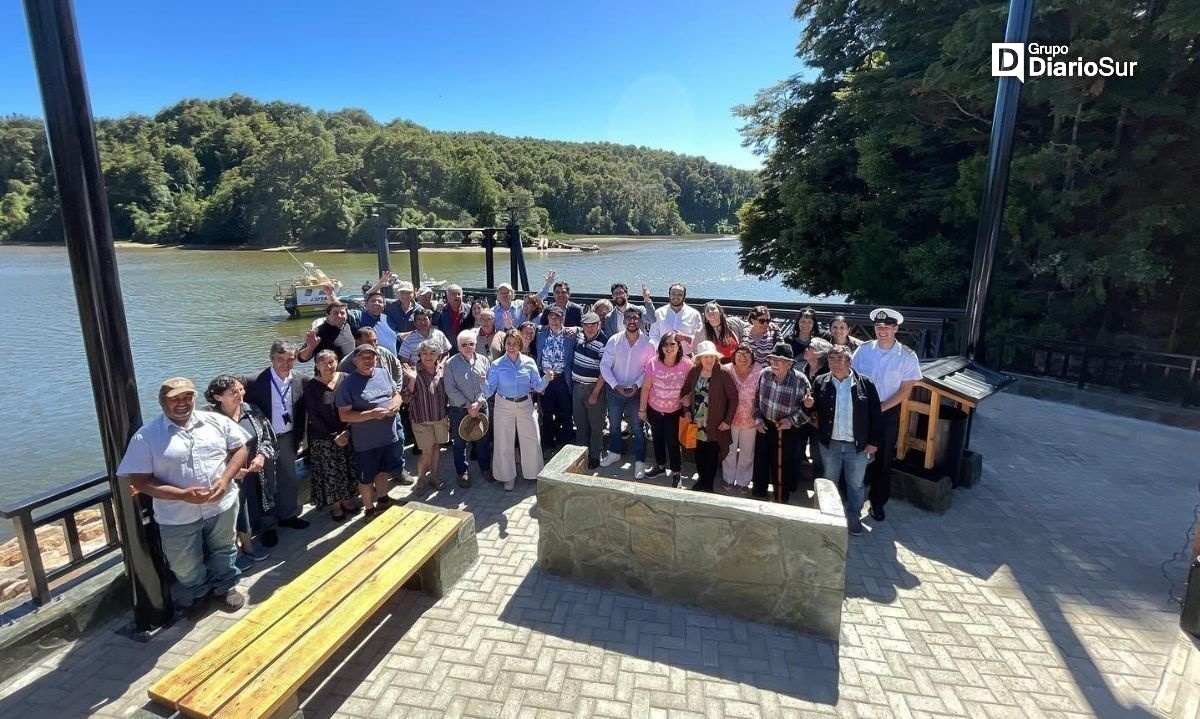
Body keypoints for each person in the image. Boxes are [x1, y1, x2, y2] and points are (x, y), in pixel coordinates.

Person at [116, 377, 248, 617]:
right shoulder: (146, 437)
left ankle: (224, 587)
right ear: (162, 402)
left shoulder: (215, 421)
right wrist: (182, 495)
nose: (182, 403)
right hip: (176, 514)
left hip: (222, 504)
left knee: (225, 547)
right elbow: (139, 480)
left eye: (187, 397)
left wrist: (226, 479)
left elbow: (240, 447)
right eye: (175, 398)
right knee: (181, 562)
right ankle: (200, 591)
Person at [852, 308, 922, 522]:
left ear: (896, 329)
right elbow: (852, 375)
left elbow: (905, 390)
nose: (882, 331)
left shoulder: (907, 356)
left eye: (887, 327)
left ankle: (877, 502)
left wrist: (881, 408)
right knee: (855, 453)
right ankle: (851, 498)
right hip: (862, 411)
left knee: (883, 460)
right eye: (878, 327)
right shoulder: (863, 350)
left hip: (887, 412)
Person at [805, 344, 883, 536]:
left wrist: (874, 442)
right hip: (830, 443)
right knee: (829, 481)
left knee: (855, 484)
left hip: (857, 446)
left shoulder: (866, 384)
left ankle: (853, 517)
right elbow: (811, 409)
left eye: (840, 359)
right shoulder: (821, 381)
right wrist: (807, 405)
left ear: (849, 361)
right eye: (831, 359)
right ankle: (830, 515)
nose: (836, 363)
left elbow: (876, 416)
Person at [203, 375, 275, 570]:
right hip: (225, 478)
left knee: (250, 508)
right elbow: (205, 451)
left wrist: (261, 456)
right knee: (231, 514)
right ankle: (234, 554)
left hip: (255, 473)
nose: (239, 394)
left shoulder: (252, 410)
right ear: (218, 397)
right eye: (233, 392)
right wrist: (231, 470)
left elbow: (268, 435)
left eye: (240, 390)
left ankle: (249, 547)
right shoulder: (208, 419)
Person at [242, 340, 308, 540]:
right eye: (280, 359)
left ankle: (288, 514)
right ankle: (267, 524)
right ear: (271, 358)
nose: (286, 364)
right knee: (265, 482)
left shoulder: (301, 380)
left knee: (289, 478)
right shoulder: (252, 381)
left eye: (290, 360)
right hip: (264, 441)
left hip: (289, 436)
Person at [475, 329, 552, 491]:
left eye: (515, 344)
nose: (511, 347)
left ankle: (534, 473)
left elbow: (537, 387)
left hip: (525, 404)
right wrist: (482, 382)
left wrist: (546, 378)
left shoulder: (529, 362)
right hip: (504, 405)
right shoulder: (497, 364)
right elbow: (489, 391)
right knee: (504, 441)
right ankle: (507, 477)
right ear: (504, 345)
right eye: (508, 343)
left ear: (520, 345)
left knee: (531, 438)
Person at [337, 344, 405, 519]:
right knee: (366, 478)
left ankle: (383, 499)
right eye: (363, 357)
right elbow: (344, 415)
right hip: (366, 442)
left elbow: (396, 394)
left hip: (388, 436)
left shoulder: (383, 373)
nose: (368, 361)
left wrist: (395, 405)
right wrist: (371, 414)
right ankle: (369, 510)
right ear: (355, 361)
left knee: (383, 471)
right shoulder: (348, 384)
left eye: (372, 357)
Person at [751, 343, 812, 503]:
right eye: (773, 359)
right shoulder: (764, 374)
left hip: (787, 428)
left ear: (790, 363)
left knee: (784, 465)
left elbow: (807, 412)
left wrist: (790, 421)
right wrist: (757, 419)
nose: (775, 363)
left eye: (781, 360)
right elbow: (756, 399)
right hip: (765, 423)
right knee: (760, 461)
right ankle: (759, 493)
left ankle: (781, 498)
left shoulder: (800, 380)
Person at [304, 350, 361, 522]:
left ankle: (347, 498)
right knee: (331, 473)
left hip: (347, 434)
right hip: (324, 438)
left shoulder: (346, 378)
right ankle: (335, 505)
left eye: (332, 362)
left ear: (337, 361)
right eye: (323, 363)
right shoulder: (310, 386)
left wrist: (347, 432)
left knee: (348, 468)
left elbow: (356, 404)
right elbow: (313, 416)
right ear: (316, 366)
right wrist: (333, 436)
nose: (328, 366)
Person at [600, 307, 655, 477]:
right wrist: (616, 385)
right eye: (629, 318)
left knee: (638, 428)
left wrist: (636, 386)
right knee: (614, 425)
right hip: (615, 392)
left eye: (636, 318)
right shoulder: (614, 340)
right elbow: (604, 366)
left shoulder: (649, 343)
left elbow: (649, 369)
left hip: (636, 393)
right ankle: (615, 453)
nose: (632, 321)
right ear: (623, 321)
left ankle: (640, 462)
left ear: (640, 321)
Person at [681, 341, 737, 492]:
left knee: (712, 455)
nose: (709, 360)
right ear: (699, 359)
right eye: (705, 357)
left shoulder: (723, 372)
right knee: (699, 454)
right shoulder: (694, 371)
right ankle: (701, 481)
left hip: (715, 423)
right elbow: (684, 392)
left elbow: (733, 398)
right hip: (696, 422)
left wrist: (727, 421)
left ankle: (708, 485)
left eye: (712, 356)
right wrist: (686, 410)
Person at [638, 331, 691, 486]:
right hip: (655, 409)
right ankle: (660, 466)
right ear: (661, 347)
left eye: (672, 344)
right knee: (657, 439)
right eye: (665, 344)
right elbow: (646, 388)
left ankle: (676, 472)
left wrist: (688, 406)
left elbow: (691, 387)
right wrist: (642, 410)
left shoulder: (687, 363)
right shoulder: (653, 363)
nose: (669, 347)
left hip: (675, 411)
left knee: (673, 442)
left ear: (678, 346)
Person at [445, 330, 493, 486]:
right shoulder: (450, 364)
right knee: (459, 444)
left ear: (475, 344)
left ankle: (485, 468)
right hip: (459, 410)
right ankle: (462, 472)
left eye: (471, 344)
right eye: (463, 344)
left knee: (483, 441)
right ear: (458, 346)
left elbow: (490, 385)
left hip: (481, 408)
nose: (467, 347)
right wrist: (468, 406)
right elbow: (450, 389)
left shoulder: (484, 361)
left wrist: (478, 403)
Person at [402, 340, 450, 495]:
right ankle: (421, 480)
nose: (428, 356)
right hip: (422, 420)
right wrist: (412, 380)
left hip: (439, 418)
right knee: (427, 451)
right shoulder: (412, 372)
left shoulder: (442, 370)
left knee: (437, 448)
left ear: (437, 355)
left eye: (432, 353)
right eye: (424, 353)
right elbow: (405, 398)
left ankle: (434, 477)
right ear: (419, 355)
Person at [569, 312, 609, 470]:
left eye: (593, 325)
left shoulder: (603, 342)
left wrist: (596, 393)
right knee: (580, 423)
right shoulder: (579, 335)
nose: (590, 328)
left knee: (596, 424)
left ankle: (595, 455)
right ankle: (580, 452)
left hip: (594, 388)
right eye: (586, 325)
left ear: (599, 324)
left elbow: (604, 371)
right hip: (577, 386)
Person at [535, 305, 577, 448]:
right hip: (546, 379)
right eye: (551, 317)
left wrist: (578, 328)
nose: (554, 320)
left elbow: (586, 331)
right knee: (547, 412)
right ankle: (548, 441)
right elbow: (523, 328)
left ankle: (567, 441)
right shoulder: (541, 332)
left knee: (566, 411)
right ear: (547, 319)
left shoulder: (570, 334)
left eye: (557, 317)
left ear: (562, 318)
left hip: (562, 378)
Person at [723, 346, 761, 494]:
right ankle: (728, 479)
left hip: (750, 419)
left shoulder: (759, 370)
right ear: (734, 356)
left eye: (747, 354)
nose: (743, 357)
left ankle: (744, 481)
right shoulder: (726, 369)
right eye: (739, 354)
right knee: (729, 450)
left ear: (752, 357)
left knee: (747, 451)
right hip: (729, 418)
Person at [800, 337, 833, 478]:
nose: (806, 348)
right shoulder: (803, 368)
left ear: (819, 354)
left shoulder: (828, 374)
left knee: (818, 456)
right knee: (797, 451)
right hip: (801, 418)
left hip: (818, 422)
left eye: (811, 347)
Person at [643, 283, 702, 354]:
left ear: (684, 297)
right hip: (663, 356)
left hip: (686, 357)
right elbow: (653, 336)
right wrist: (664, 350)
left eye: (680, 294)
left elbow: (700, 338)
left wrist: (686, 338)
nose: (676, 296)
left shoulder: (694, 314)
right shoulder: (659, 313)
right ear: (669, 295)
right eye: (673, 293)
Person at [434, 285, 475, 349]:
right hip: (447, 346)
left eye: (459, 294)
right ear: (448, 297)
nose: (457, 296)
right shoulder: (442, 310)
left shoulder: (469, 309)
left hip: (465, 346)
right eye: (453, 294)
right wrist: (437, 311)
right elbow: (434, 324)